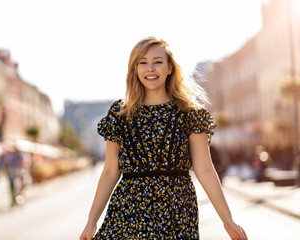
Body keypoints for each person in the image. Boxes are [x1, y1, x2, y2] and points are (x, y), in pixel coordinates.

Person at [80, 37, 247, 240]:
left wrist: (227, 220)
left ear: (170, 68)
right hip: (128, 211)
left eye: (157, 62)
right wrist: (91, 221)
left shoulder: (190, 113)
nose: (150, 68)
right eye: (142, 62)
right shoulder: (120, 114)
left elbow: (204, 169)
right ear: (135, 69)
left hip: (177, 212)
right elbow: (109, 171)